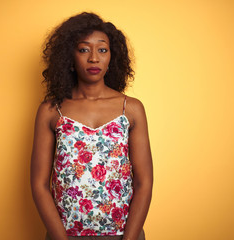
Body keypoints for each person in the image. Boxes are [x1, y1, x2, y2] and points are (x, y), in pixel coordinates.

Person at [31, 12, 153, 240]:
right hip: (64, 236)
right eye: (84, 49)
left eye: (102, 49)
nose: (94, 58)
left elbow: (144, 182)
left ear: (112, 57)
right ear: (70, 56)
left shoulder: (131, 109)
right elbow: (39, 184)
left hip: (124, 235)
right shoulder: (51, 110)